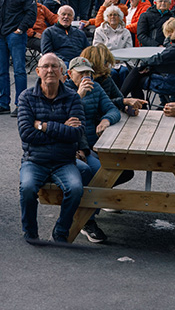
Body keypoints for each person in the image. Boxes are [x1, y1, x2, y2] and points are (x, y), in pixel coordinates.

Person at [17, 53, 85, 243]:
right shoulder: (27, 97)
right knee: (28, 189)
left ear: (62, 72)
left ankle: (61, 231)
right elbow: (27, 134)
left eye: (54, 66)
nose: (50, 70)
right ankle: (30, 232)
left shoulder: (72, 97)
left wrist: (44, 126)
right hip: (35, 160)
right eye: (45, 66)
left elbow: (77, 133)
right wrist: (63, 129)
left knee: (76, 189)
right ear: (38, 71)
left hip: (64, 161)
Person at [66, 56, 121, 243]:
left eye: (88, 72)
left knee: (123, 170)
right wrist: (78, 96)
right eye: (81, 72)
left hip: (95, 143)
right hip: (74, 146)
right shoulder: (64, 90)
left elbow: (112, 109)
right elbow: (62, 115)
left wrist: (106, 119)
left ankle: (95, 204)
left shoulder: (95, 88)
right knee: (98, 172)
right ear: (69, 73)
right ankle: (87, 220)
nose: (85, 76)